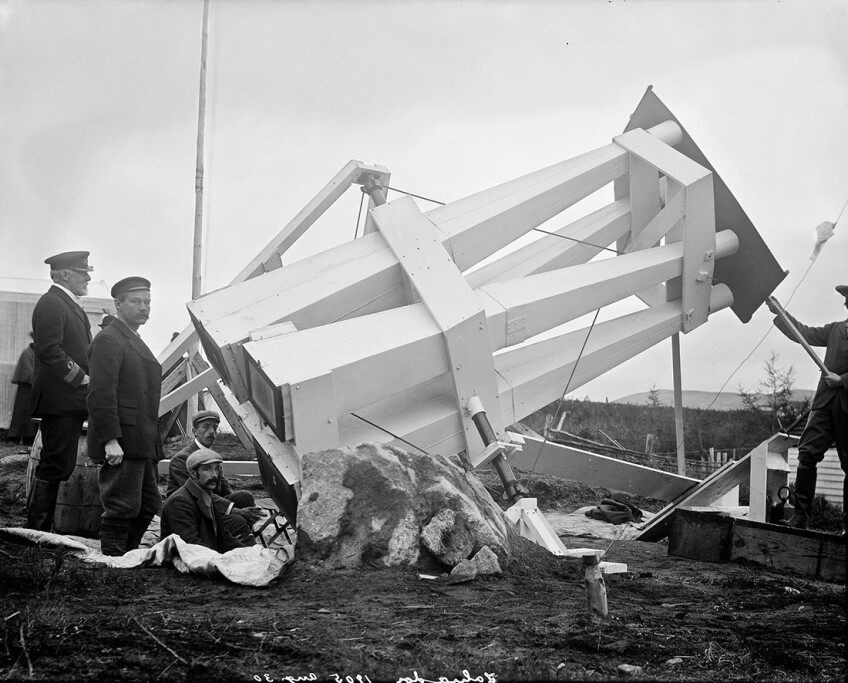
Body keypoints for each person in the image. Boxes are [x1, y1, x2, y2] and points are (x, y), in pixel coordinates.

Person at [87, 277, 163, 555]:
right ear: (118, 305)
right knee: (122, 504)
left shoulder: (131, 338)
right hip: (123, 439)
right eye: (136, 301)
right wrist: (110, 440)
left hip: (141, 438)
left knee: (149, 504)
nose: (143, 308)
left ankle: (127, 555)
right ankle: (113, 561)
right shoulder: (109, 339)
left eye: (147, 302)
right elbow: (100, 394)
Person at [766, 285, 848, 532]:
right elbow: (804, 333)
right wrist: (781, 312)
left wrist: (843, 380)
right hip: (824, 404)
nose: (846, 303)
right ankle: (801, 516)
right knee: (806, 454)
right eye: (846, 299)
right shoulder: (835, 329)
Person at [27, 251, 94, 530]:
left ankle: (40, 529)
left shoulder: (69, 305)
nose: (87, 278)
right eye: (82, 272)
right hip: (60, 400)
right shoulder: (52, 304)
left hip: (68, 401)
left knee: (60, 463)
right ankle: (36, 531)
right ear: (64, 274)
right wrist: (81, 378)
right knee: (56, 463)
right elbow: (48, 349)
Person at [166, 410, 260, 544]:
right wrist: (235, 511)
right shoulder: (183, 459)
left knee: (244, 497)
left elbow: (224, 487)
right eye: (206, 427)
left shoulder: (211, 456)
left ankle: (243, 536)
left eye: (215, 427)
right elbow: (197, 494)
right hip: (192, 509)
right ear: (194, 431)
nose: (211, 432)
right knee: (236, 519)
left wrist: (237, 507)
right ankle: (237, 542)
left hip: (210, 503)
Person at [160, 448, 255, 553]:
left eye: (217, 469)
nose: (214, 475)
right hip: (185, 559)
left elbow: (223, 537)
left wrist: (249, 554)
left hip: (204, 555)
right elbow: (190, 545)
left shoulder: (207, 496)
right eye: (207, 469)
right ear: (193, 473)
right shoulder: (179, 502)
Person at [8, 333, 38, 444]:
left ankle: (29, 436)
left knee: (30, 414)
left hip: (34, 388)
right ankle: (16, 436)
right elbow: (29, 374)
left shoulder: (36, 353)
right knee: (22, 413)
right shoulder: (28, 353)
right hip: (26, 388)